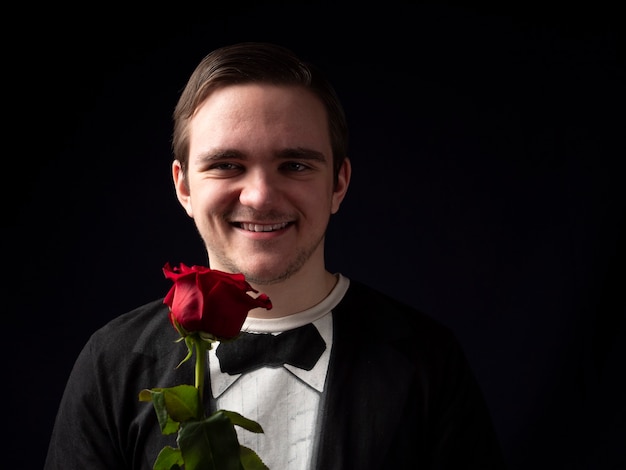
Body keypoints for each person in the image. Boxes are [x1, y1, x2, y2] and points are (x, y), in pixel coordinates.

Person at [44, 41, 506, 469]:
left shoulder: (428, 361)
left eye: (295, 165)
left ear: (338, 184)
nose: (261, 196)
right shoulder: (113, 362)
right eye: (227, 165)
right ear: (183, 186)